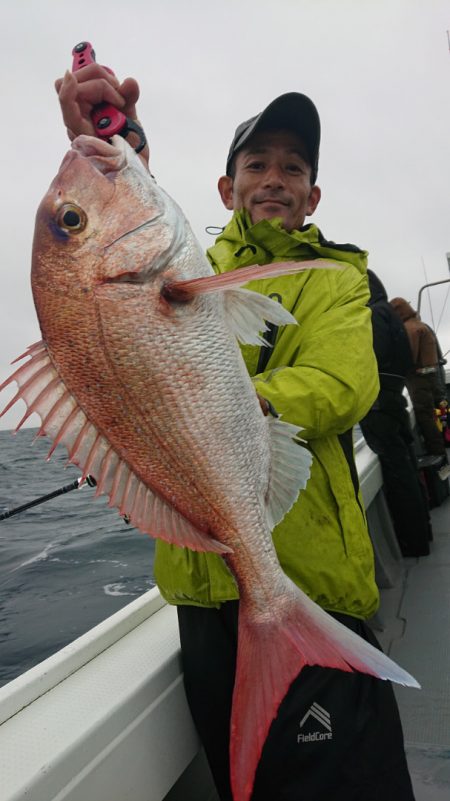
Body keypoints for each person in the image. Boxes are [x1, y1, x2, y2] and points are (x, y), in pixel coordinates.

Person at [56, 67, 415, 800]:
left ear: (314, 195)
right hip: (200, 598)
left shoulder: (334, 278)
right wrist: (113, 149)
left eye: (293, 167)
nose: (274, 178)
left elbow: (344, 384)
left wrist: (223, 402)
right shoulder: (194, 266)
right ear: (225, 190)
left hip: (309, 582)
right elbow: (140, 240)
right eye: (256, 163)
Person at [359, 271, 431, 556]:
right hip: (394, 400)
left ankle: (412, 543)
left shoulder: (374, 315)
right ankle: (422, 534)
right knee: (406, 468)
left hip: (379, 405)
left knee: (398, 474)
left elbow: (371, 358)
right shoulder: (389, 312)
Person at [390, 298, 449, 479]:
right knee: (439, 411)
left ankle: (439, 456)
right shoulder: (421, 325)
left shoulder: (409, 329)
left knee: (425, 416)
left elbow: (409, 358)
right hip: (431, 377)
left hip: (419, 379)